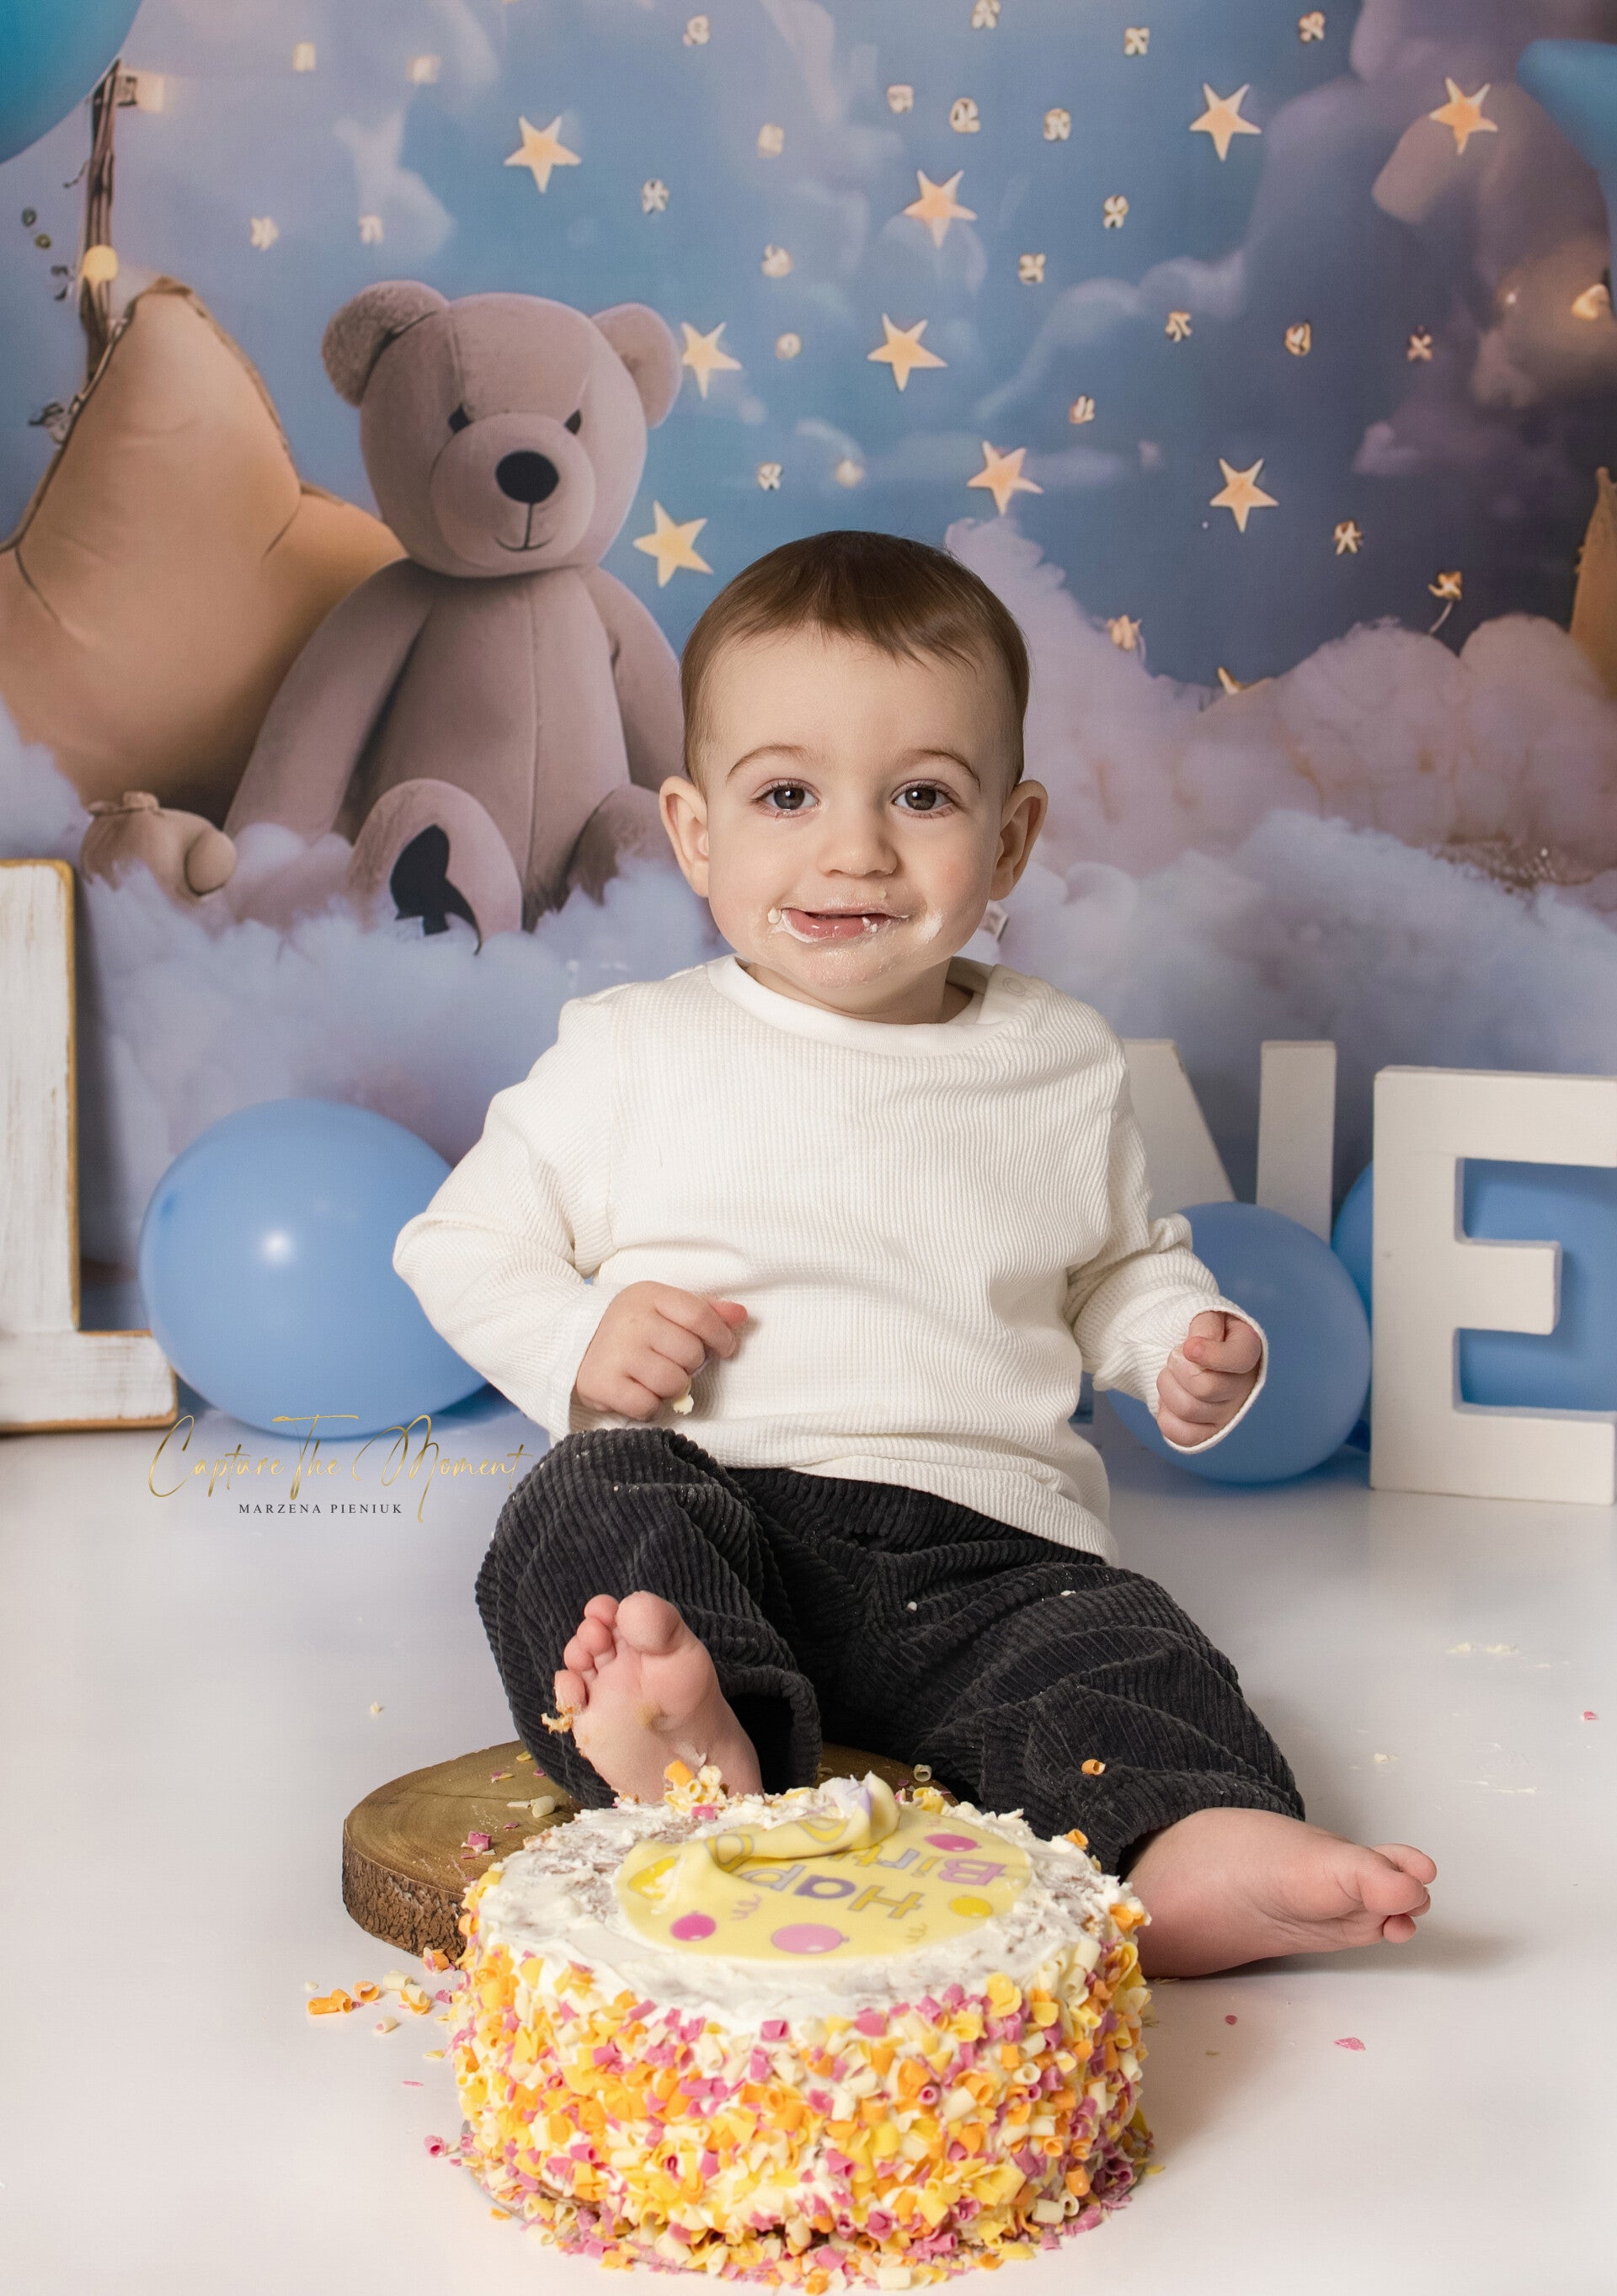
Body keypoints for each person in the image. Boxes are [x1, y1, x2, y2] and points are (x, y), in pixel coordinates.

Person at [392, 529, 1435, 1979]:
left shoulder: (1056, 1057)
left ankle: (1189, 1841)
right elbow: (458, 1240)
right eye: (787, 795)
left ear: (1008, 838)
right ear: (695, 832)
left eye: (923, 796)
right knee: (585, 1510)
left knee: (1119, 1647)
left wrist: (1174, 1341)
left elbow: (1113, 1265)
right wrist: (578, 1344)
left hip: (991, 1552)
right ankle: (703, 1751)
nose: (855, 850)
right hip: (722, 1510)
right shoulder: (636, 1050)